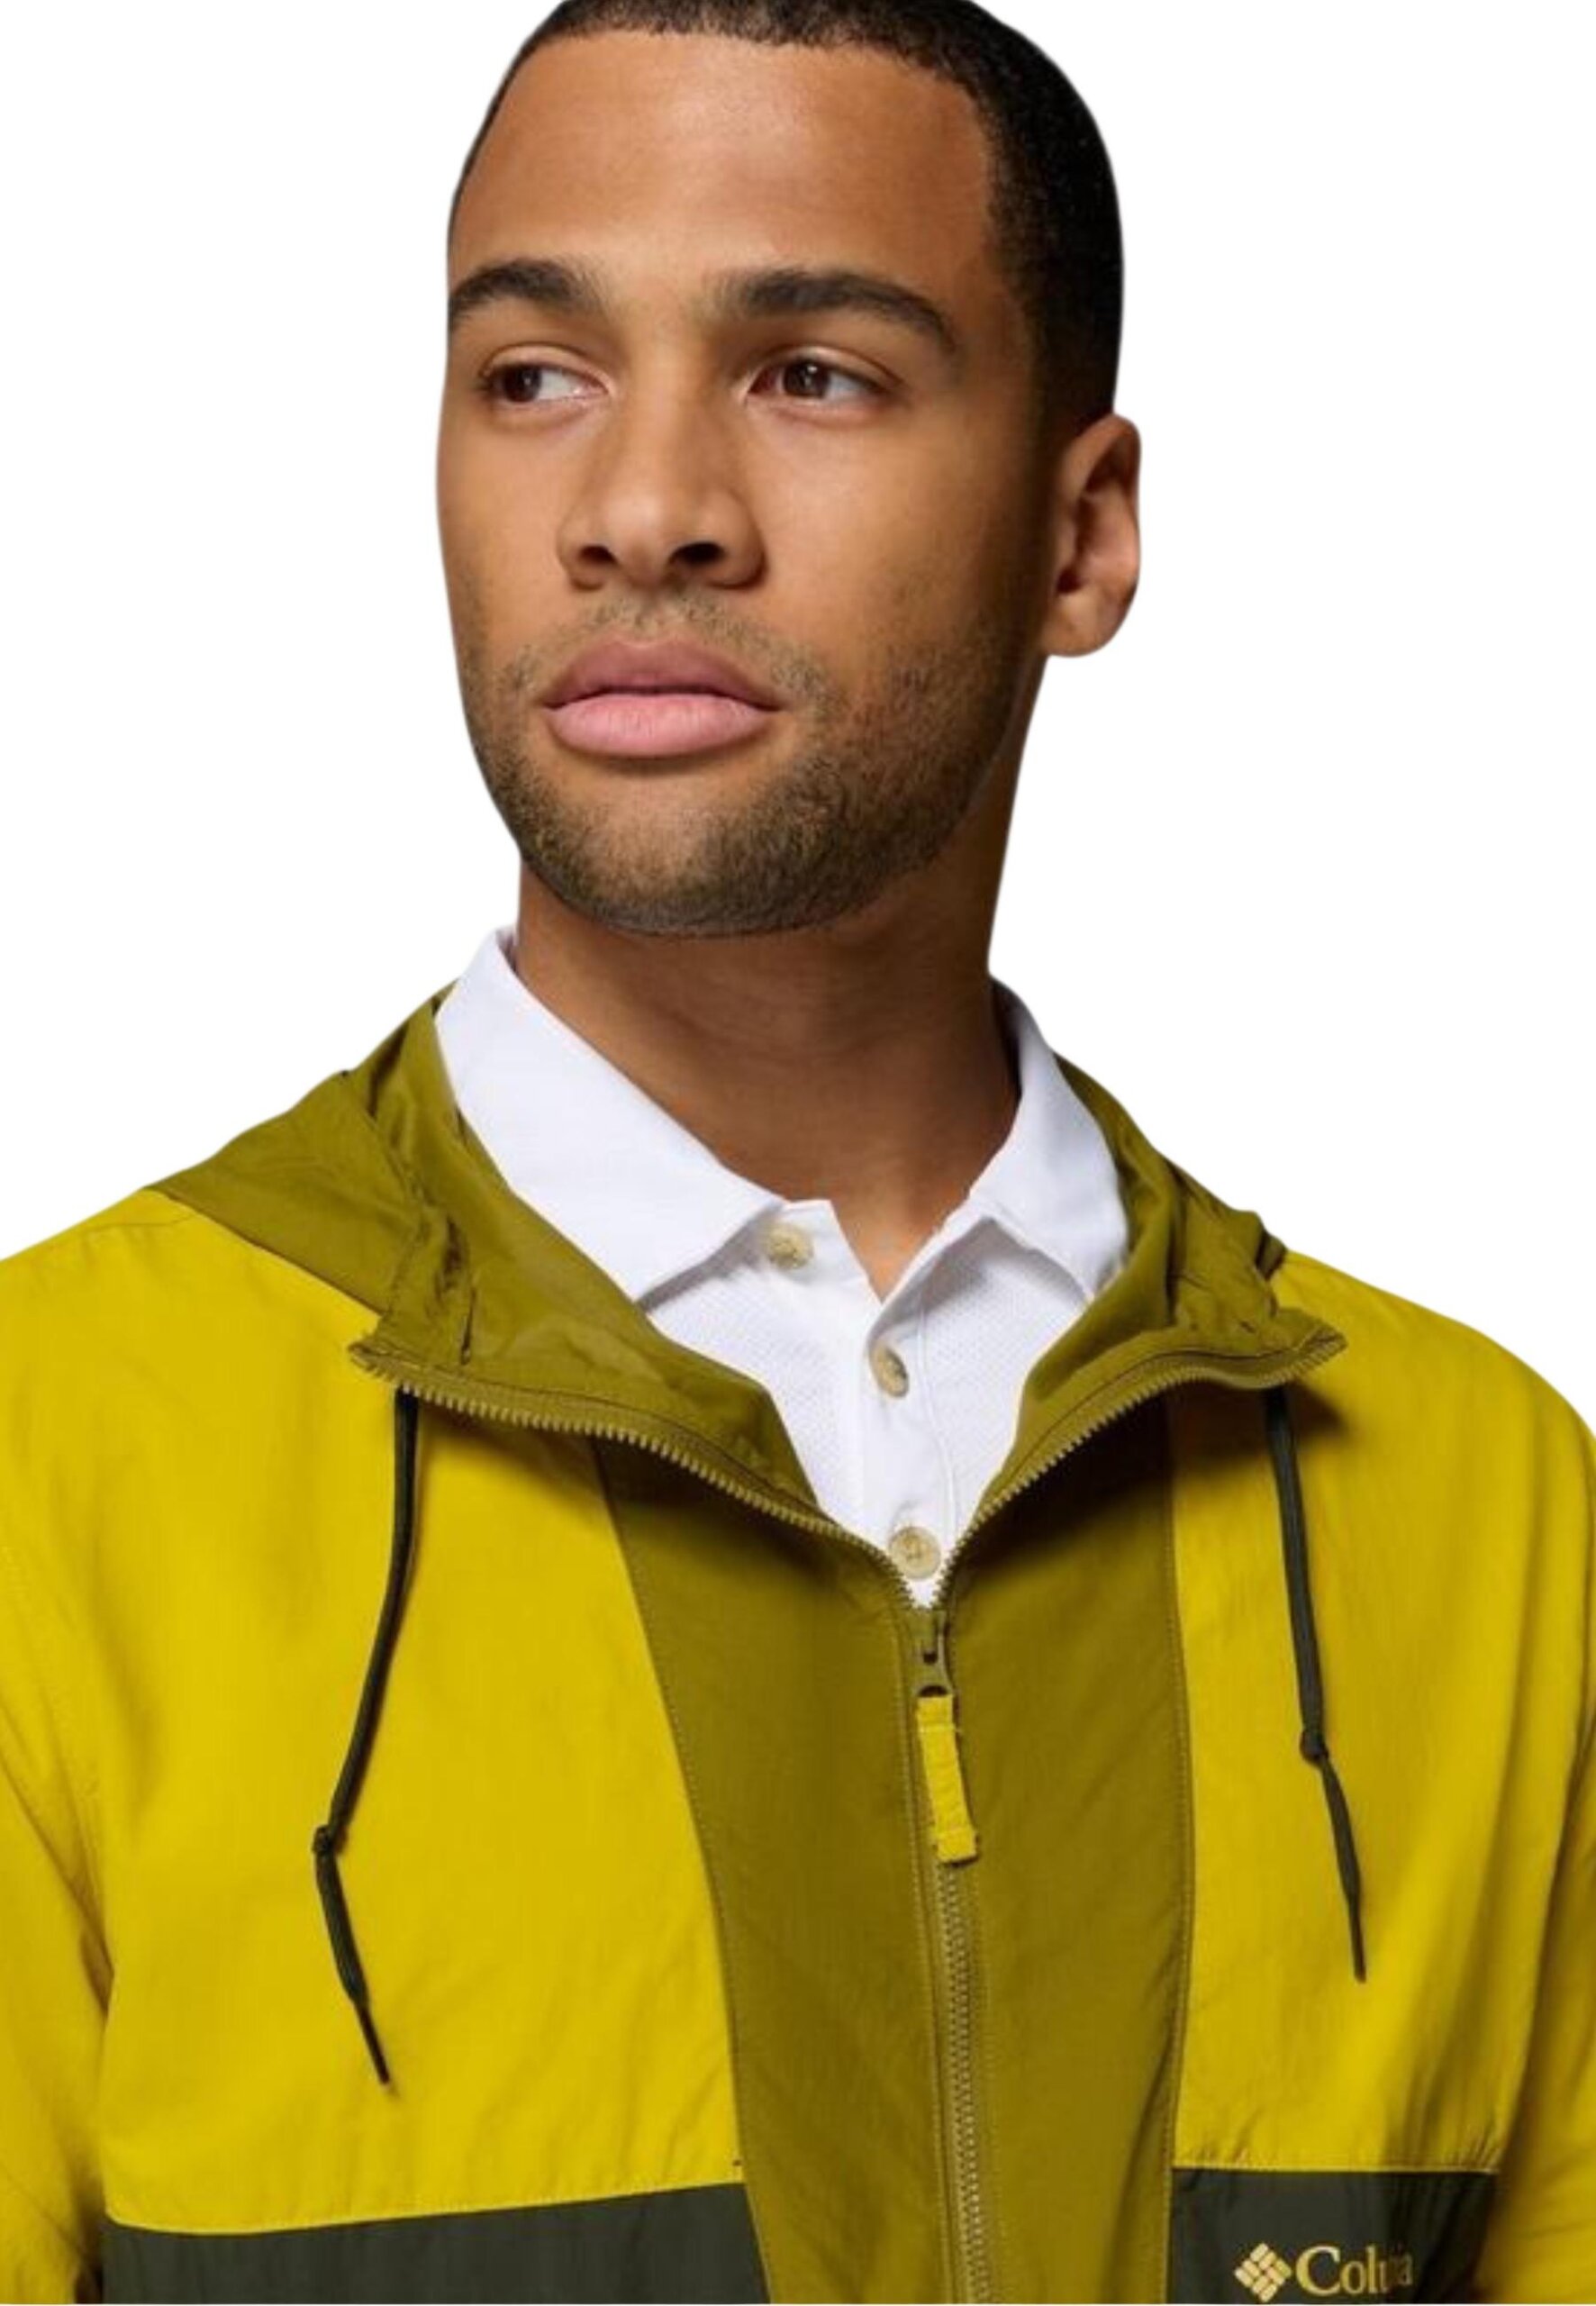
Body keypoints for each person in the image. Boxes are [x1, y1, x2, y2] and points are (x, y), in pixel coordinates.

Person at [1, 3, 1591, 2299]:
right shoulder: (54, 1451)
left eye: (811, 373)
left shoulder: (1485, 1507)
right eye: (533, 373)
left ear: (1078, 535)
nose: (641, 505)